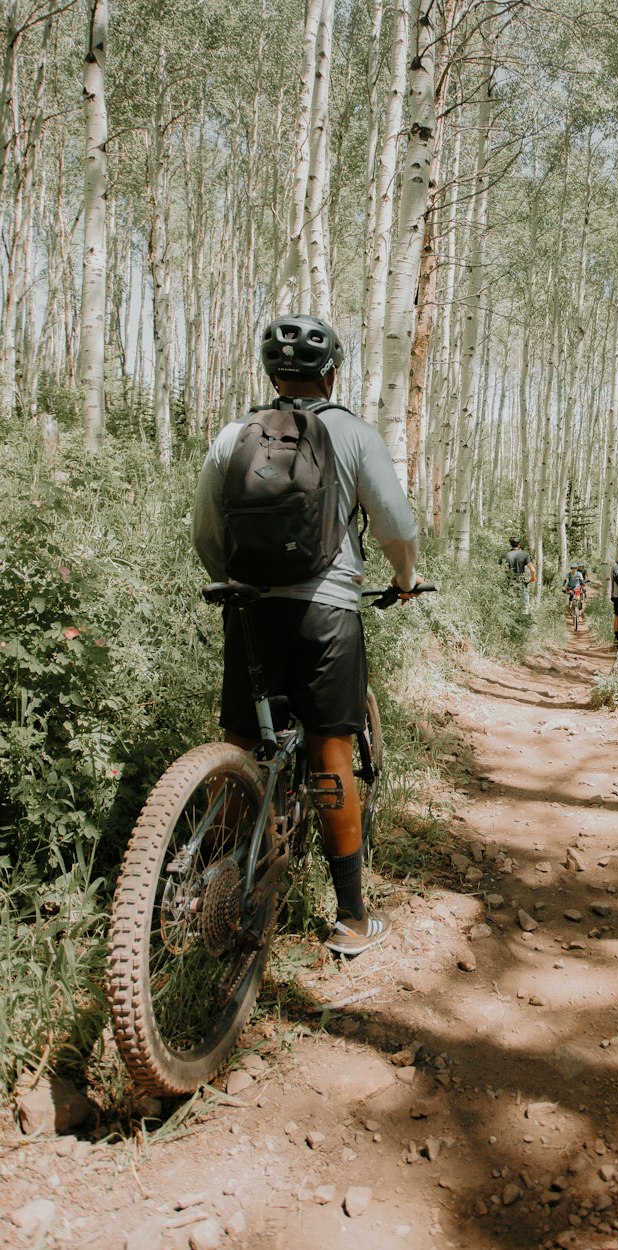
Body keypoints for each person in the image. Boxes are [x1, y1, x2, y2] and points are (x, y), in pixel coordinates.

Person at [192, 312, 421, 956]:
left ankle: (218, 875)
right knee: (331, 756)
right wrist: (405, 577)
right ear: (333, 372)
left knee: (240, 743)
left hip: (249, 610)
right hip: (327, 615)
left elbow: (206, 535)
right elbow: (396, 526)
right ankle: (350, 919)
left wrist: (238, 584)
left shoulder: (235, 434)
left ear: (271, 373)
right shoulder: (353, 433)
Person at [499, 537, 535, 610]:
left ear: (510, 544)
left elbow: (496, 570)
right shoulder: (524, 555)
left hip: (508, 582)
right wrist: (533, 578)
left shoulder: (504, 555)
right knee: (525, 606)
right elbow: (533, 570)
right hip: (521, 582)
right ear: (519, 544)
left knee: (508, 606)